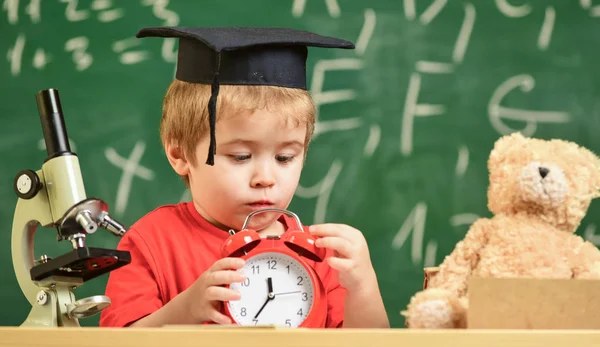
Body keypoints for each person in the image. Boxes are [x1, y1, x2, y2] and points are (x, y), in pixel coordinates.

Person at [99, 26, 389, 329]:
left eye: (284, 158)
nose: (265, 177)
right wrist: (184, 310)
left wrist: (363, 286)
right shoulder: (152, 241)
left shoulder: (322, 254)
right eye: (240, 157)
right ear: (180, 155)